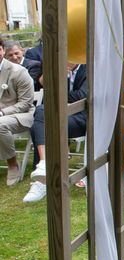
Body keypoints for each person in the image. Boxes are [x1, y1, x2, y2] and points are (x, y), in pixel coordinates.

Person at [23, 63, 87, 203]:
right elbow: (44, 90)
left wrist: (58, 94)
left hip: (81, 118)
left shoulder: (88, 68)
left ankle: (42, 174)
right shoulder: (59, 68)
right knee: (40, 115)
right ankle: (44, 170)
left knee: (41, 118)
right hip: (61, 115)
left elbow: (82, 95)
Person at [0, 38, 35, 186]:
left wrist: (2, 112)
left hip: (21, 115)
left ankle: (13, 163)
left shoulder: (19, 72)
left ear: (2, 50)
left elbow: (25, 103)